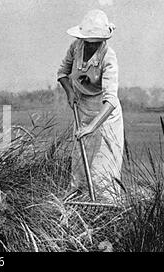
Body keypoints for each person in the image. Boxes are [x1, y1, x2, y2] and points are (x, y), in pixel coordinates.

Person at [57, 10, 124, 203]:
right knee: (80, 162)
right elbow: (62, 73)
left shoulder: (109, 57)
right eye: (88, 41)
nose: (91, 45)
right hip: (82, 107)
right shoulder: (75, 47)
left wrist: (92, 127)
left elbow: (111, 100)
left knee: (102, 167)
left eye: (96, 41)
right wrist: (70, 92)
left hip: (105, 115)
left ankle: (105, 207)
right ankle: (79, 204)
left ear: (103, 40)